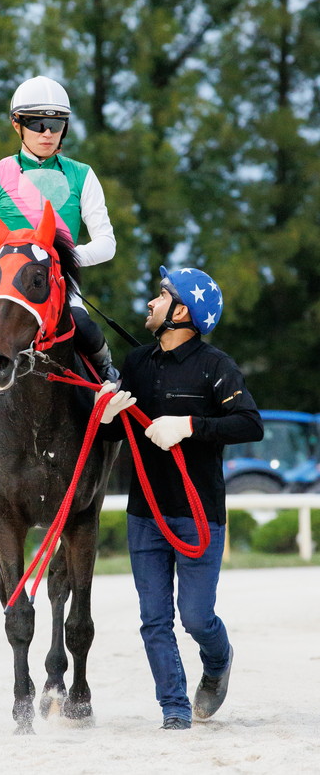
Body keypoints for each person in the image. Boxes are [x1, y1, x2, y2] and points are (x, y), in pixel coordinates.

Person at [95, 265, 264, 730]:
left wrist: (189, 426)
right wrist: (105, 416)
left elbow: (250, 424)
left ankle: (218, 660)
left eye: (162, 295)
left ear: (182, 311)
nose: (151, 302)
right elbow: (114, 435)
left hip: (198, 514)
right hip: (144, 514)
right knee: (153, 619)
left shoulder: (216, 366)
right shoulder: (137, 363)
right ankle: (173, 709)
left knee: (195, 618)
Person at [0, 75, 119, 413]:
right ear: (17, 125)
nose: (47, 133)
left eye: (56, 124)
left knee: (86, 327)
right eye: (37, 124)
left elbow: (107, 243)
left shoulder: (83, 175)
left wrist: (56, 262)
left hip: (57, 286)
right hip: (9, 289)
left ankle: (108, 375)